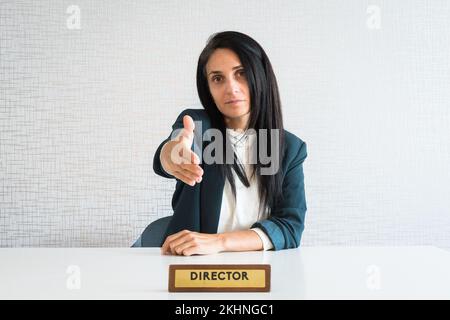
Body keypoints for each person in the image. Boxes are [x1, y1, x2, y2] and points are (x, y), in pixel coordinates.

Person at [134, 31, 307, 255]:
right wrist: (172, 156)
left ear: (261, 75)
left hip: (259, 272)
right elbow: (175, 147)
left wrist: (220, 242)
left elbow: (290, 227)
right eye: (217, 78)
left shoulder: (288, 148)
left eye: (241, 73)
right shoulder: (199, 126)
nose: (231, 88)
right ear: (208, 88)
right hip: (191, 268)